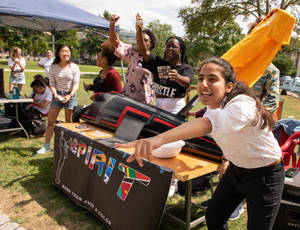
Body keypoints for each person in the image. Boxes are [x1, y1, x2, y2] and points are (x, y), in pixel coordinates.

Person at [116, 57, 284, 230]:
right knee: (214, 217)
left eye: (212, 79)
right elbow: (231, 132)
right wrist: (226, 158)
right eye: (201, 78)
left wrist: (157, 139)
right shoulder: (215, 105)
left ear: (229, 86)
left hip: (265, 175)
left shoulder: (242, 104)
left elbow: (207, 124)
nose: (203, 84)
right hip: (236, 169)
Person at [136, 15, 194, 114]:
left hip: (176, 111)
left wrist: (177, 77)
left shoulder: (186, 68)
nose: (170, 49)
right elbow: (143, 50)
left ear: (181, 50)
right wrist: (139, 30)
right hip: (158, 109)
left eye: (174, 47)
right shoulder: (159, 64)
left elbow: (187, 82)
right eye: (168, 46)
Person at [37, 44, 80, 154]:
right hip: (57, 95)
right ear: (58, 53)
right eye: (63, 51)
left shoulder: (74, 67)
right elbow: (51, 83)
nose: (66, 53)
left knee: (69, 122)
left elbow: (75, 85)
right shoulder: (53, 66)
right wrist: (55, 94)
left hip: (70, 96)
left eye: (68, 51)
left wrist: (69, 96)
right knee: (50, 122)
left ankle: (69, 146)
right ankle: (46, 145)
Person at [108, 14, 156, 104]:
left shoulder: (155, 61)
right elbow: (115, 43)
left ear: (151, 44)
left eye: (145, 40)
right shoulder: (132, 52)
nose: (141, 42)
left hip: (144, 104)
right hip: (126, 100)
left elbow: (167, 83)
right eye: (139, 39)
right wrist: (112, 24)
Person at [249, 18, 280, 114]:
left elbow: (272, 103)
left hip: (251, 119)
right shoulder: (236, 62)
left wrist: (251, 117)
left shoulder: (271, 70)